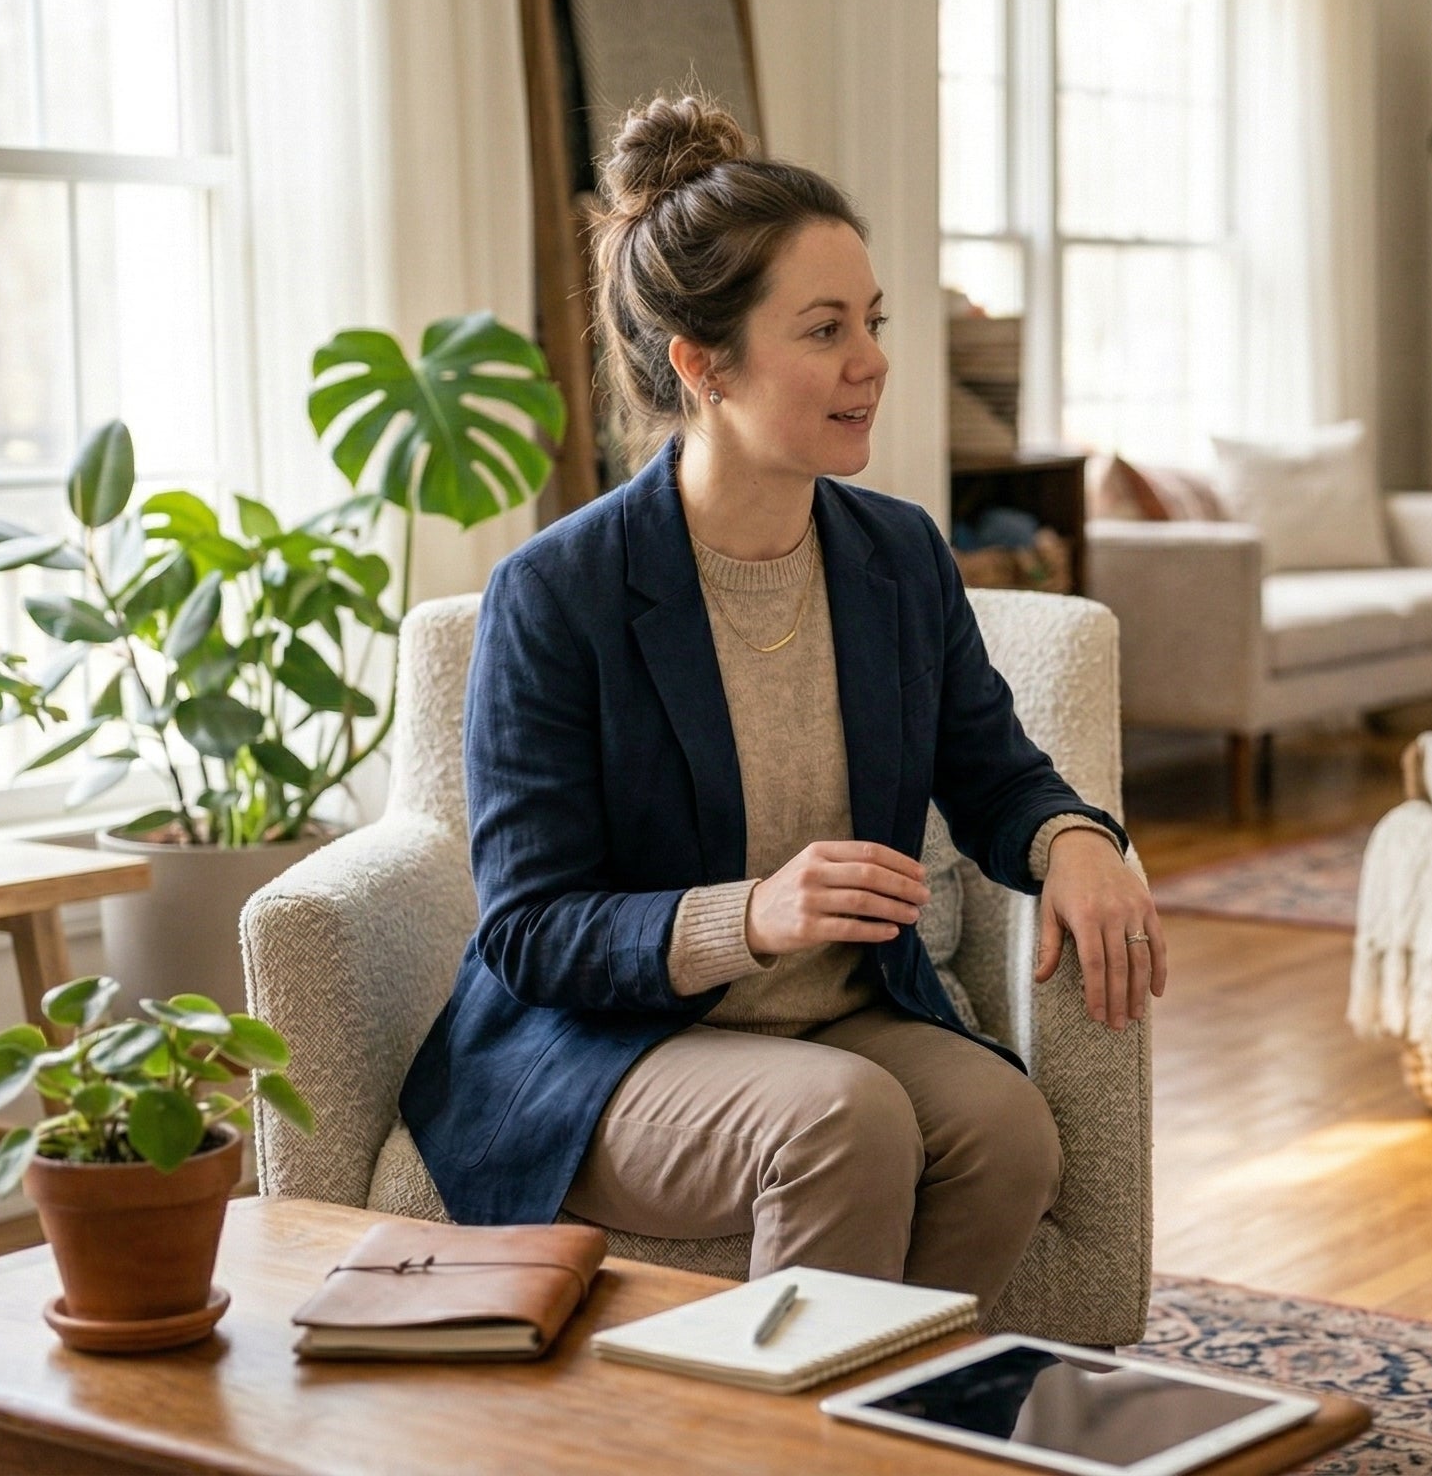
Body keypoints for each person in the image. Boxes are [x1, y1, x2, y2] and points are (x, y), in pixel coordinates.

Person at [397, 96, 1167, 1313]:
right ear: (701, 366)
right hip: (607, 1048)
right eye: (823, 330)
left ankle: (883, 1426)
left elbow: (991, 767)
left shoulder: (897, 556)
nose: (871, 361)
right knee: (844, 1122)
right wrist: (751, 916)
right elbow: (531, 930)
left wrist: (1076, 841)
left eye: (871, 321)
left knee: (1005, 1129)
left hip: (840, 1019)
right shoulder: (556, 594)